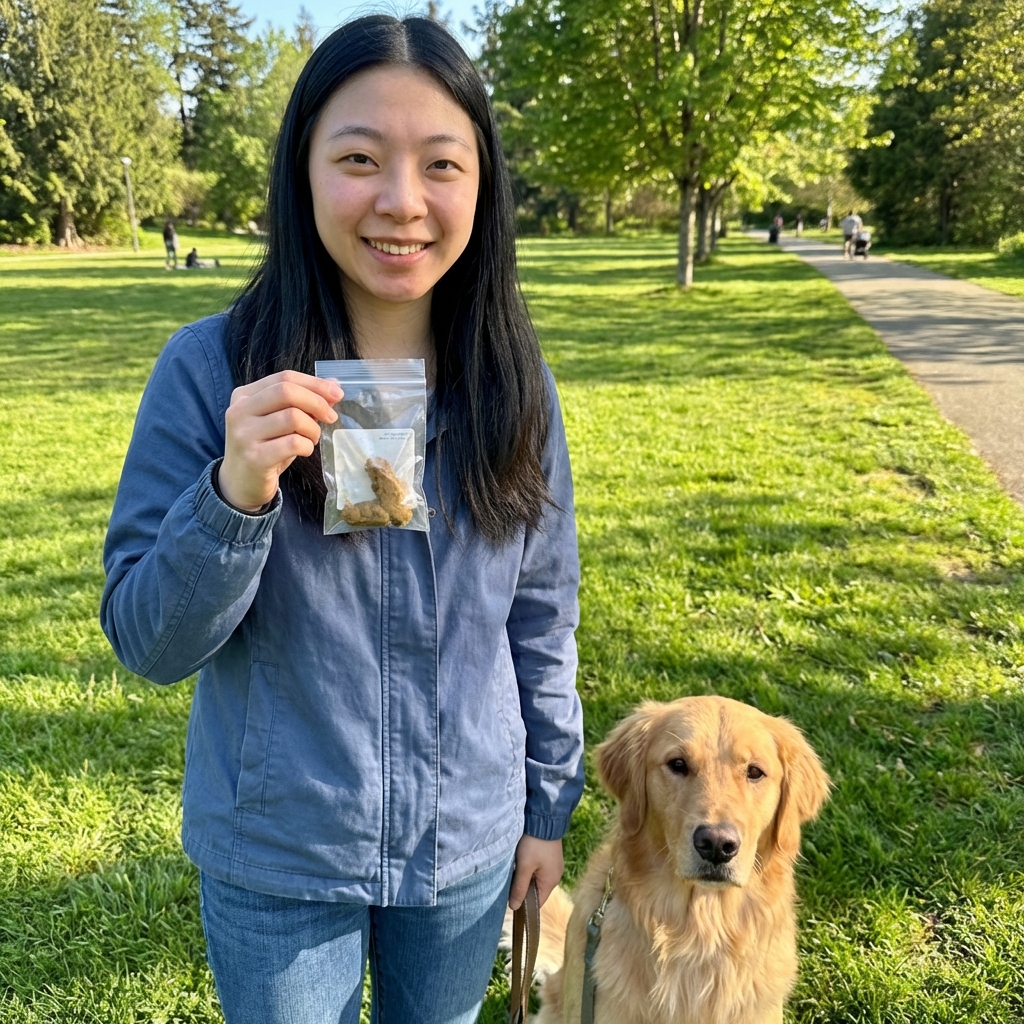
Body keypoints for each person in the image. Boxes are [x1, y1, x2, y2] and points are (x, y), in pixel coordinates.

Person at [100, 15, 584, 1024]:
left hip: (464, 841)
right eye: (359, 158)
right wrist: (235, 492)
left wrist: (545, 810)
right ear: (304, 172)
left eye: (440, 164)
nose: (401, 201)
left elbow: (541, 613)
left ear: (481, 186)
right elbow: (149, 641)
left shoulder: (514, 387)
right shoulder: (206, 371)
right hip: (280, 852)